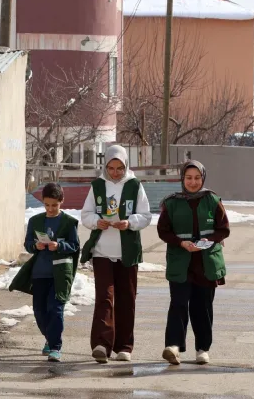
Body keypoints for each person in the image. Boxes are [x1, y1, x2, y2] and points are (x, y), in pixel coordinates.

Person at [80, 145, 152, 364]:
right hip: (102, 251)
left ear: (126, 166)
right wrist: (96, 222)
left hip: (127, 252)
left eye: (119, 168)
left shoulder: (134, 185)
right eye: (111, 168)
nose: (115, 172)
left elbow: (146, 216)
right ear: (105, 166)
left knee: (126, 298)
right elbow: (86, 214)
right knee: (104, 297)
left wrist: (129, 223)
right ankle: (101, 344)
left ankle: (124, 346)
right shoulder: (97, 186)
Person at [156, 160, 230, 366]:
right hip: (181, 262)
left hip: (206, 263)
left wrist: (209, 240)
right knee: (178, 304)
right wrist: (181, 242)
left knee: (202, 306)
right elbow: (163, 231)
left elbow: (223, 229)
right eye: (189, 178)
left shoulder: (212, 200)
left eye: (197, 178)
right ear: (182, 179)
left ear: (203, 178)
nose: (193, 182)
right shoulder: (171, 202)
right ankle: (173, 346)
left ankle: (202, 349)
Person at [9, 183, 80, 363]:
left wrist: (59, 246)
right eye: (47, 205)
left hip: (60, 274)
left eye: (54, 205)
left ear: (61, 202)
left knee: (55, 310)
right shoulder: (35, 221)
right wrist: (36, 246)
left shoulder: (69, 222)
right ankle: (50, 338)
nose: (50, 209)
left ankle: (55, 347)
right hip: (40, 273)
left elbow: (75, 246)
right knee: (40, 311)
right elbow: (27, 244)